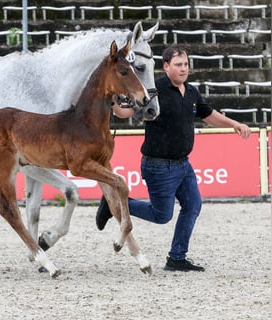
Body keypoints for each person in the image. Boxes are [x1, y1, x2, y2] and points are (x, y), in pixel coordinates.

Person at [96, 44, 251, 272]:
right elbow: (126, 112)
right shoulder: (154, 88)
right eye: (178, 65)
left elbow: (209, 115)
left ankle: (177, 258)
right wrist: (114, 104)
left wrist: (235, 124)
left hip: (183, 165)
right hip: (158, 166)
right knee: (161, 216)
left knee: (193, 205)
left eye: (186, 64)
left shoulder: (191, 91)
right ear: (166, 66)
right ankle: (114, 204)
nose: (184, 69)